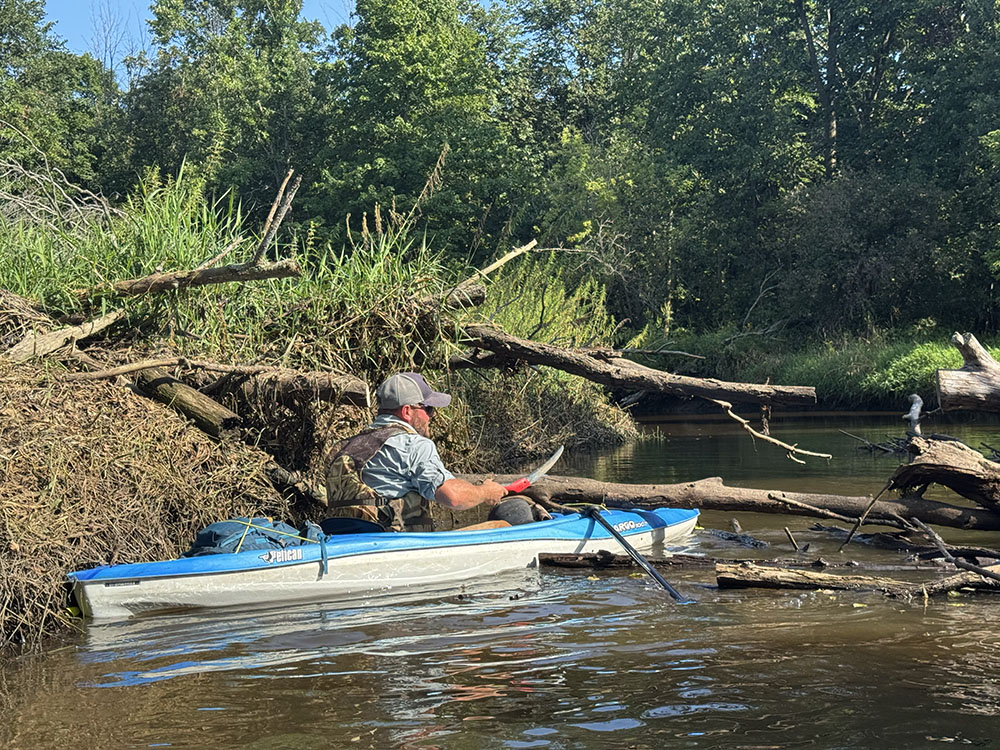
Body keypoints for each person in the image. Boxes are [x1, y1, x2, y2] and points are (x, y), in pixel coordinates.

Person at [323, 372, 511, 532]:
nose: (431, 416)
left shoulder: (340, 448)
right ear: (407, 411)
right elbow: (454, 498)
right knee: (502, 526)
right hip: (398, 547)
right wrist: (485, 492)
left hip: (345, 544)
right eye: (428, 409)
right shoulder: (413, 445)